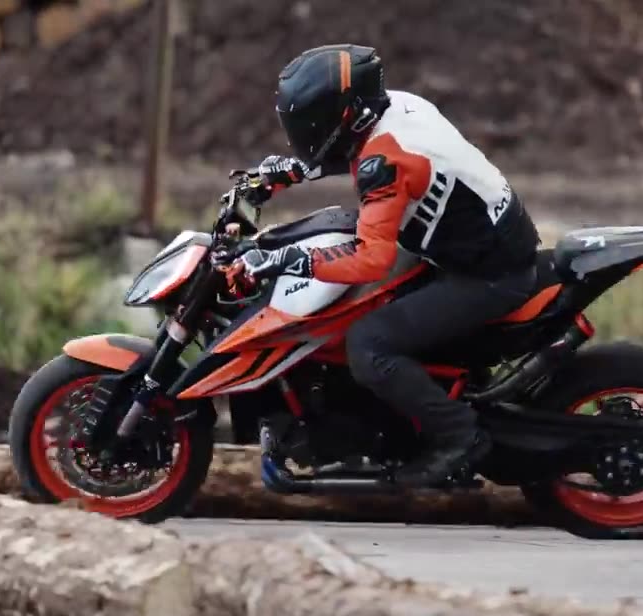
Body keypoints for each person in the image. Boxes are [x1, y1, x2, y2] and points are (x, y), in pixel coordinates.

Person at [232, 43, 542, 489]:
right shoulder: (396, 106)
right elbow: (351, 150)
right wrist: (289, 173)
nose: (303, 133)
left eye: (311, 123)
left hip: (488, 273)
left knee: (369, 343)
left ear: (348, 115)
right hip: (469, 240)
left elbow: (369, 258)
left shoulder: (385, 160)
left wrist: (283, 259)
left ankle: (460, 435)